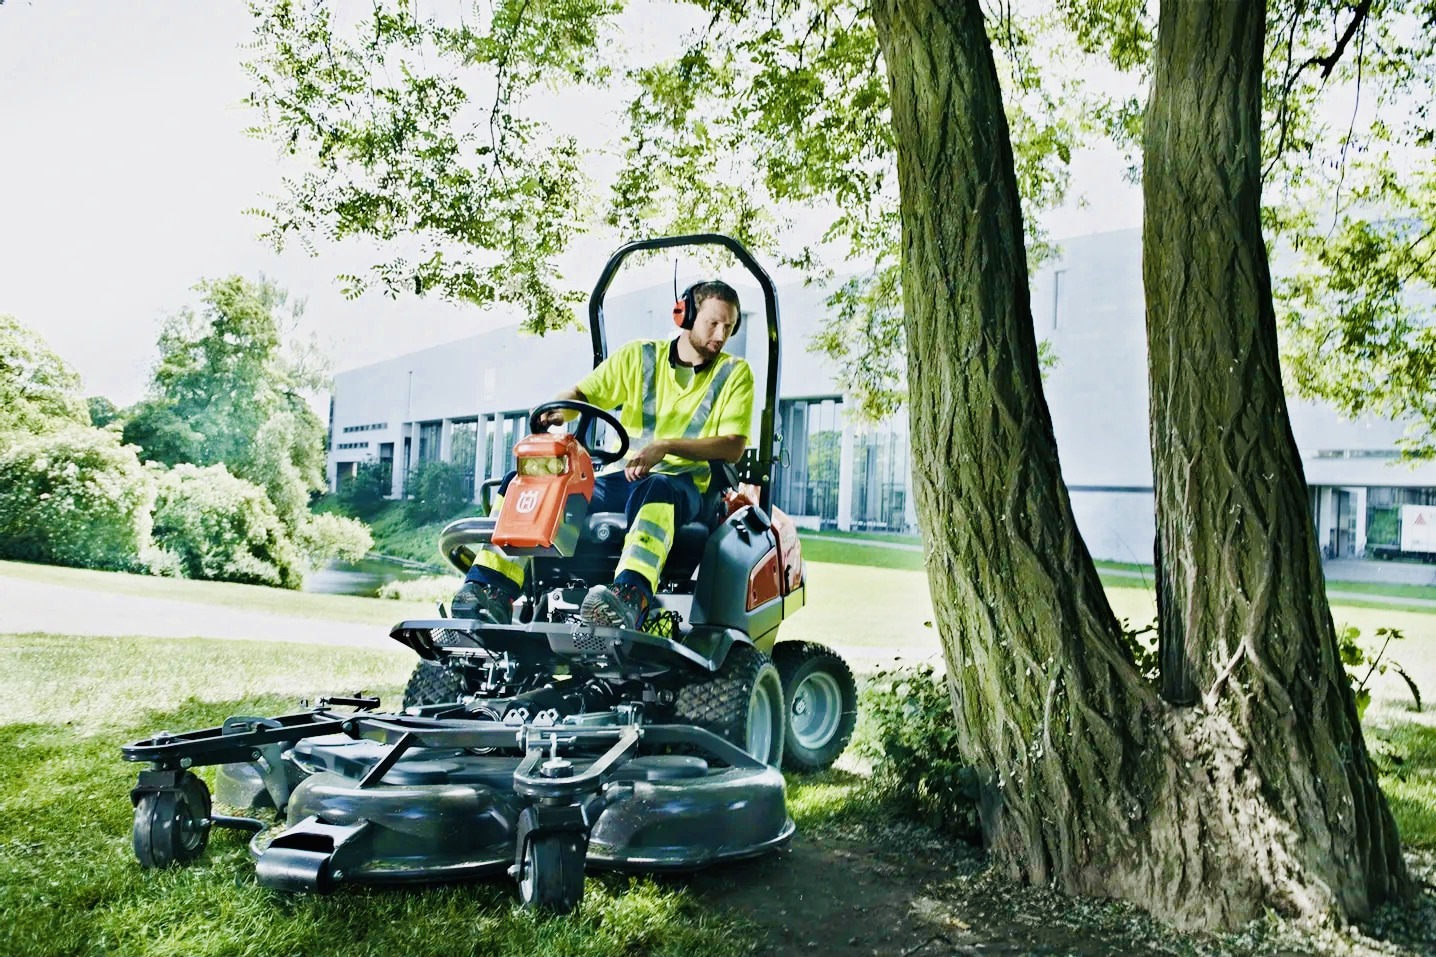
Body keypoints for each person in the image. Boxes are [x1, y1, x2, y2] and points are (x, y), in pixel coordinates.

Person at [452, 279, 755, 630]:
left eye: (729, 327)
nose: (721, 335)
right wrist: (558, 410)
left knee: (656, 487)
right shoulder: (638, 358)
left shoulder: (735, 374)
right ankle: (488, 589)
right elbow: (585, 393)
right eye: (713, 323)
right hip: (621, 478)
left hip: (684, 486)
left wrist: (666, 446)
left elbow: (733, 445)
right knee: (530, 481)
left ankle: (629, 595)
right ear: (685, 315)